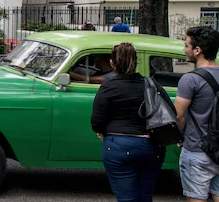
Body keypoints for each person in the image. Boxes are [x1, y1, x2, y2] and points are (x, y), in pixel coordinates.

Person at [90, 42, 166, 202]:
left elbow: (97, 121)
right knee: (145, 196)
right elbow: (167, 111)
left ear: (112, 62)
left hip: (117, 143)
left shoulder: (108, 87)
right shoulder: (151, 84)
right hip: (150, 144)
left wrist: (102, 131)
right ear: (136, 61)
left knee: (126, 197)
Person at [174, 26, 219, 202]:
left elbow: (179, 115)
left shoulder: (190, 79)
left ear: (197, 50)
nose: (184, 49)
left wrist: (179, 136)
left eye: (186, 46)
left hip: (197, 150)